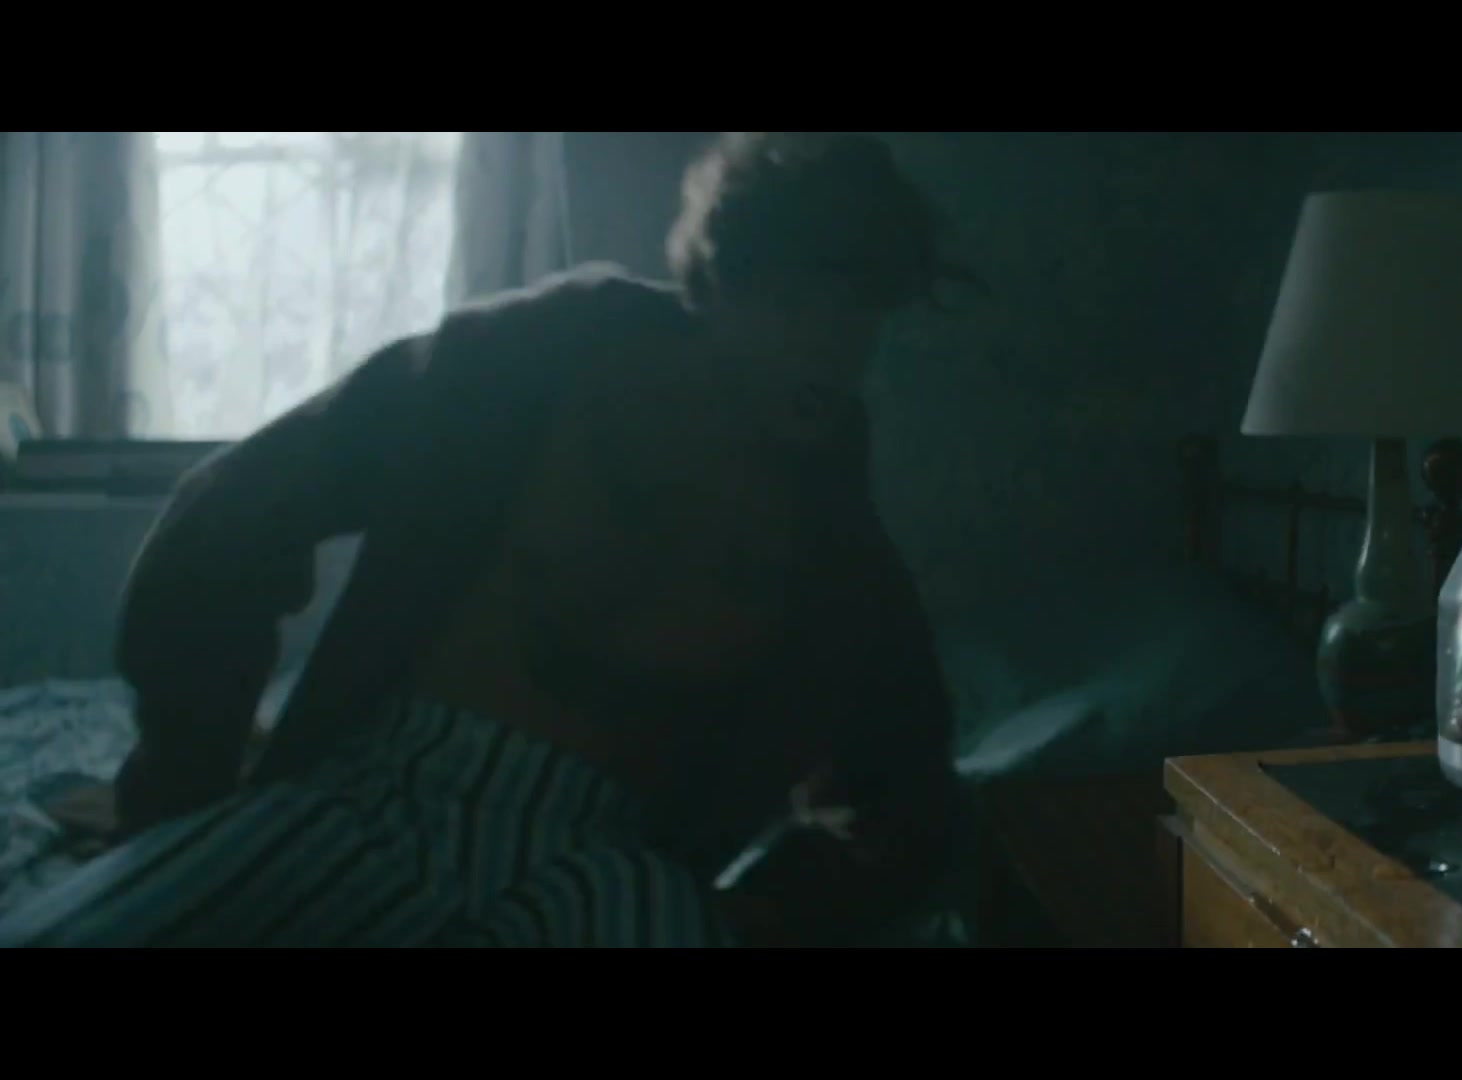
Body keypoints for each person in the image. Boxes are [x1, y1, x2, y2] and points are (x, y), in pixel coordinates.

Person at [0, 132, 965, 948]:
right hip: (377, 796)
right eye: (800, 303)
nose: (832, 347)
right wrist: (187, 781)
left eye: (862, 314)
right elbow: (225, 520)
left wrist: (772, 908)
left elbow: (908, 782)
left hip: (603, 861)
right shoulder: (521, 366)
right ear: (722, 279)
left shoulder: (828, 522)